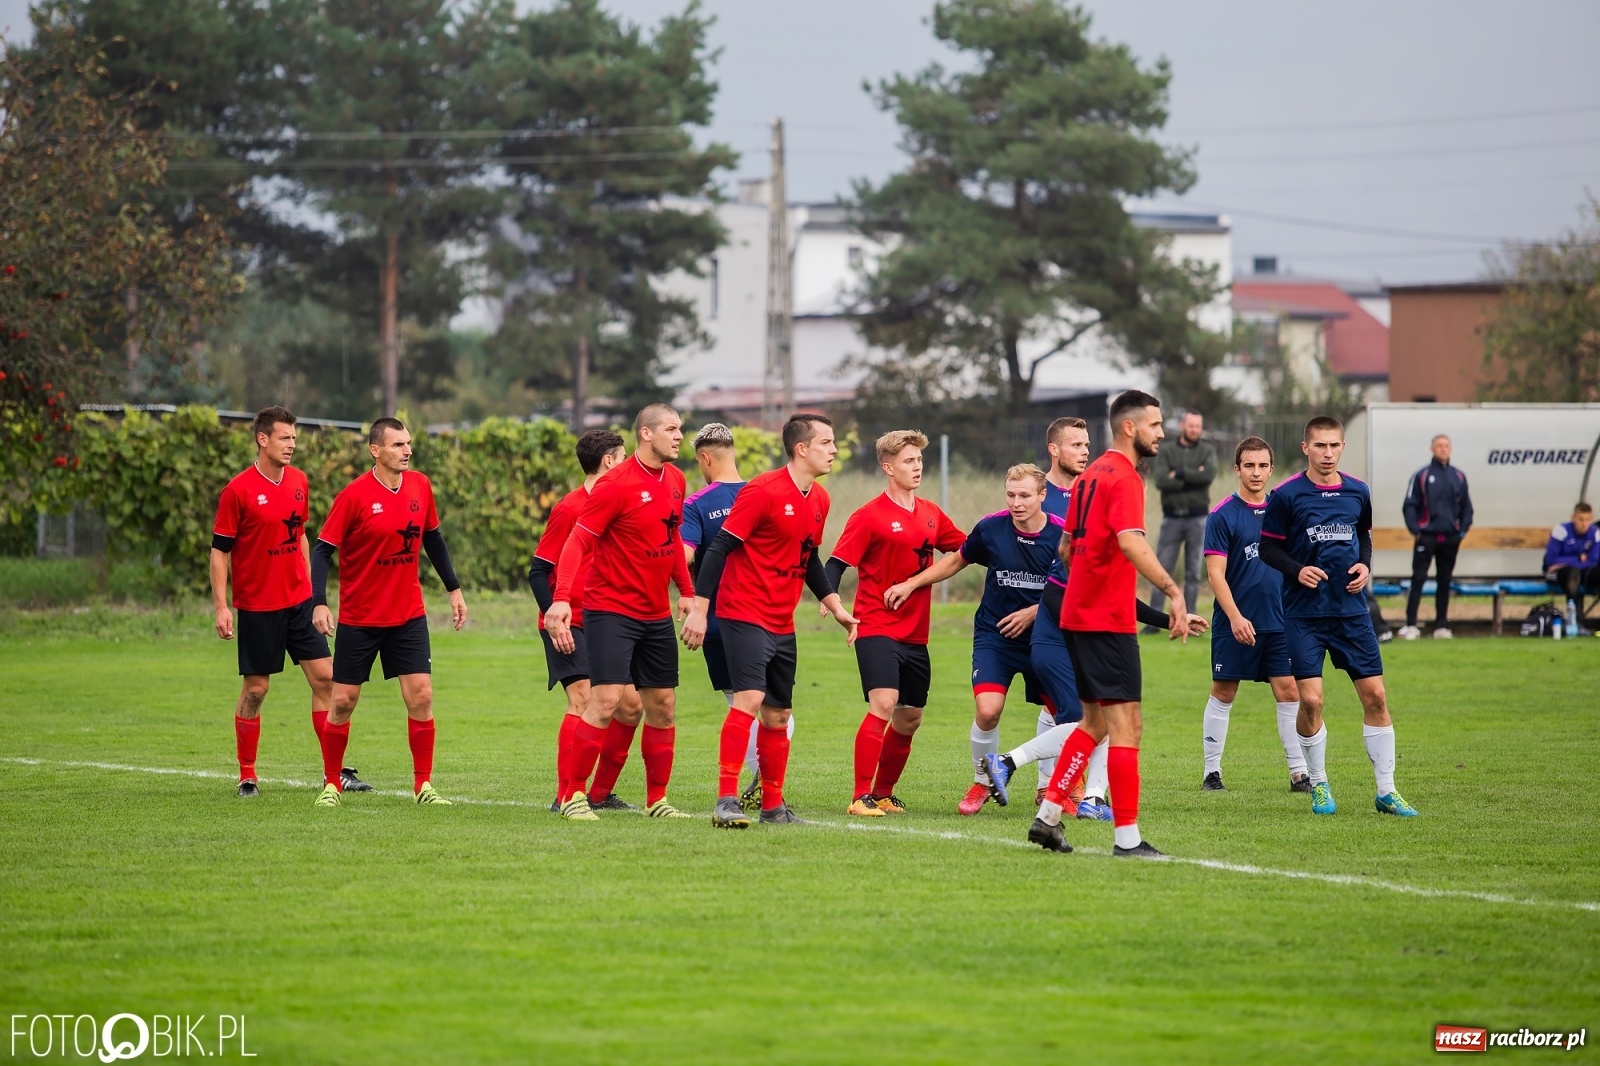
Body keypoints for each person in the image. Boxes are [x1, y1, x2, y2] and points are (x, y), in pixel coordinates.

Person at [1023, 390, 1190, 858]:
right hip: (1105, 619)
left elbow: (1065, 547)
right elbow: (1131, 542)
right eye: (1155, 425)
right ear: (1130, 428)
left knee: (1094, 720)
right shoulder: (1125, 477)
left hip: (1075, 613)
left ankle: (1049, 816)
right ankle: (1127, 840)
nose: (1162, 433)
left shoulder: (1088, 477)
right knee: (1127, 725)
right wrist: (1173, 592)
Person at [682, 414, 858, 828]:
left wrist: (836, 606)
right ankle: (726, 800)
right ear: (801, 448)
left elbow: (809, 557)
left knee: (778, 715)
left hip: (782, 621)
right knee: (748, 702)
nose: (833, 450)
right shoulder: (762, 491)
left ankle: (773, 807)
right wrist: (700, 608)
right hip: (743, 613)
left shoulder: (819, 498)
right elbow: (720, 549)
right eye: (826, 442)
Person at [1258, 415, 1418, 819]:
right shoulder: (1286, 495)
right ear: (1305, 448)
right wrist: (1296, 570)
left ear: (1342, 447)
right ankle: (1319, 783)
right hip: (1303, 616)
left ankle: (1387, 791)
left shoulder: (1358, 491)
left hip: (1351, 614)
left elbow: (1362, 537)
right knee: (1311, 702)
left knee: (1377, 697)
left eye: (1334, 445)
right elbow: (1268, 550)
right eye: (1320, 446)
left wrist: (1365, 567)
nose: (1327, 453)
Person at [880, 463, 1062, 816]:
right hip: (996, 637)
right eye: (1011, 494)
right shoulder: (991, 528)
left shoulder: (1062, 536)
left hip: (1045, 638)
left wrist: (1034, 612)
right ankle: (983, 780)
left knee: (1064, 714)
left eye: (1025, 495)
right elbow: (955, 562)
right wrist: (911, 583)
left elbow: (1076, 589)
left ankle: (1055, 788)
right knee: (988, 710)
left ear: (1043, 496)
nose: (1016, 502)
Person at [545, 404, 696, 821]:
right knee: (606, 700)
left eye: (680, 428)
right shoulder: (615, 484)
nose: (679, 435)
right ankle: (574, 796)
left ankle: (657, 801)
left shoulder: (677, 480)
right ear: (646, 434)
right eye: (671, 428)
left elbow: (672, 536)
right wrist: (560, 598)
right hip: (611, 610)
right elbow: (576, 543)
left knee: (663, 705)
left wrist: (686, 591)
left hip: (655, 615)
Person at [210, 406, 369, 797]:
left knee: (328, 680)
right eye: (285, 437)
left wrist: (313, 595)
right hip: (259, 607)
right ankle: (247, 774)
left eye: (294, 438)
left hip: (298, 603)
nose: (292, 445)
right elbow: (219, 552)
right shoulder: (238, 490)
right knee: (256, 690)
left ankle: (335, 773)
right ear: (262, 439)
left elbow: (300, 535)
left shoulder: (298, 481)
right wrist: (221, 606)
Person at [309, 417, 468, 807]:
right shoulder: (354, 496)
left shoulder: (420, 486)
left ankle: (423, 787)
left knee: (422, 696)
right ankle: (332, 784)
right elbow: (322, 549)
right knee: (342, 701)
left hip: (408, 615)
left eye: (408, 443)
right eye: (397, 445)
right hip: (360, 618)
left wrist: (454, 589)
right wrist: (318, 601)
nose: (407, 451)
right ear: (375, 451)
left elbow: (433, 538)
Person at [826, 430, 966, 817]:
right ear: (888, 467)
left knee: (910, 717)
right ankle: (859, 796)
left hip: (916, 633)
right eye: (908, 461)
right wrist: (831, 599)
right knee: (884, 703)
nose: (917, 466)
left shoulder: (931, 514)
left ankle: (883, 793)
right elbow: (836, 563)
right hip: (875, 623)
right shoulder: (868, 516)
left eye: (919, 460)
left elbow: (964, 550)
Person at [528, 429, 646, 813]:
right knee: (582, 700)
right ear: (609, 461)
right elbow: (537, 570)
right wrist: (553, 619)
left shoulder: (622, 503)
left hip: (609, 620)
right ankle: (566, 796)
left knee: (630, 707)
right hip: (569, 620)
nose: (630, 463)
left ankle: (599, 794)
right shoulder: (569, 508)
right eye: (625, 456)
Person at [680, 422, 792, 809]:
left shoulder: (696, 504)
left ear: (705, 458)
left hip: (720, 618)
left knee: (739, 703)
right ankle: (769, 784)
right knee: (776, 705)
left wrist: (688, 597)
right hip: (772, 615)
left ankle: (755, 783)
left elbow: (686, 557)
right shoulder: (765, 493)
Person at [1199, 437, 1310, 793]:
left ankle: (1298, 773)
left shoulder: (1283, 511)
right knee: (1224, 690)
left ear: (1271, 469)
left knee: (1289, 691)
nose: (1257, 472)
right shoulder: (1222, 514)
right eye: (1249, 465)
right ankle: (1211, 772)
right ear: (1237, 469)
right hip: (1236, 622)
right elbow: (1215, 573)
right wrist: (1234, 617)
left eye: (1263, 466)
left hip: (1280, 621)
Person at [1399, 434, 1473, 639]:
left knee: (1445, 580)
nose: (1443, 449)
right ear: (1432, 448)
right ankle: (1411, 624)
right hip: (1427, 537)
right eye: (1439, 445)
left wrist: (1462, 530)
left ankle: (1441, 626)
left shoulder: (1458, 476)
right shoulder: (1421, 475)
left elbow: (1467, 507)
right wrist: (1416, 530)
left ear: (1451, 449)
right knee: (1419, 578)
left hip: (1450, 537)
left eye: (1446, 446)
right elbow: (1409, 505)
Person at [1148, 409, 1216, 622]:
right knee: (1161, 569)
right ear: (1182, 426)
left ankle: (1190, 617)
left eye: (1198, 426)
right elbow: (1160, 481)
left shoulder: (1207, 450)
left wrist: (1178, 473)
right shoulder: (1167, 451)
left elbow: (1208, 476)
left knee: (1193, 572)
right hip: (1172, 519)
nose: (1194, 429)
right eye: (1191, 425)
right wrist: (1194, 475)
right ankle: (1156, 619)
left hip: (1198, 519)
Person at [1544, 502, 1598, 634]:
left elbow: (1593, 561)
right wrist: (1577, 558)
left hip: (1581, 570)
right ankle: (1574, 621)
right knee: (1572, 574)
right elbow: (1550, 561)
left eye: (1588, 520)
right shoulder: (1561, 530)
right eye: (1580, 519)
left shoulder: (1595, 533)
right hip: (1555, 574)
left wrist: (1571, 561)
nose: (1584, 523)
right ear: (1573, 518)